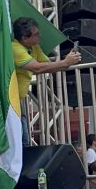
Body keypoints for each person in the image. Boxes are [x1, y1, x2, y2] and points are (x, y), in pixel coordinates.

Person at [12, 17, 81, 145]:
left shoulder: (34, 47)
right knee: (19, 141)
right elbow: (37, 68)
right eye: (36, 34)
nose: (40, 36)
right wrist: (65, 62)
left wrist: (66, 62)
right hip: (8, 102)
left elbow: (48, 65)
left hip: (17, 100)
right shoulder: (15, 48)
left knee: (24, 140)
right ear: (24, 38)